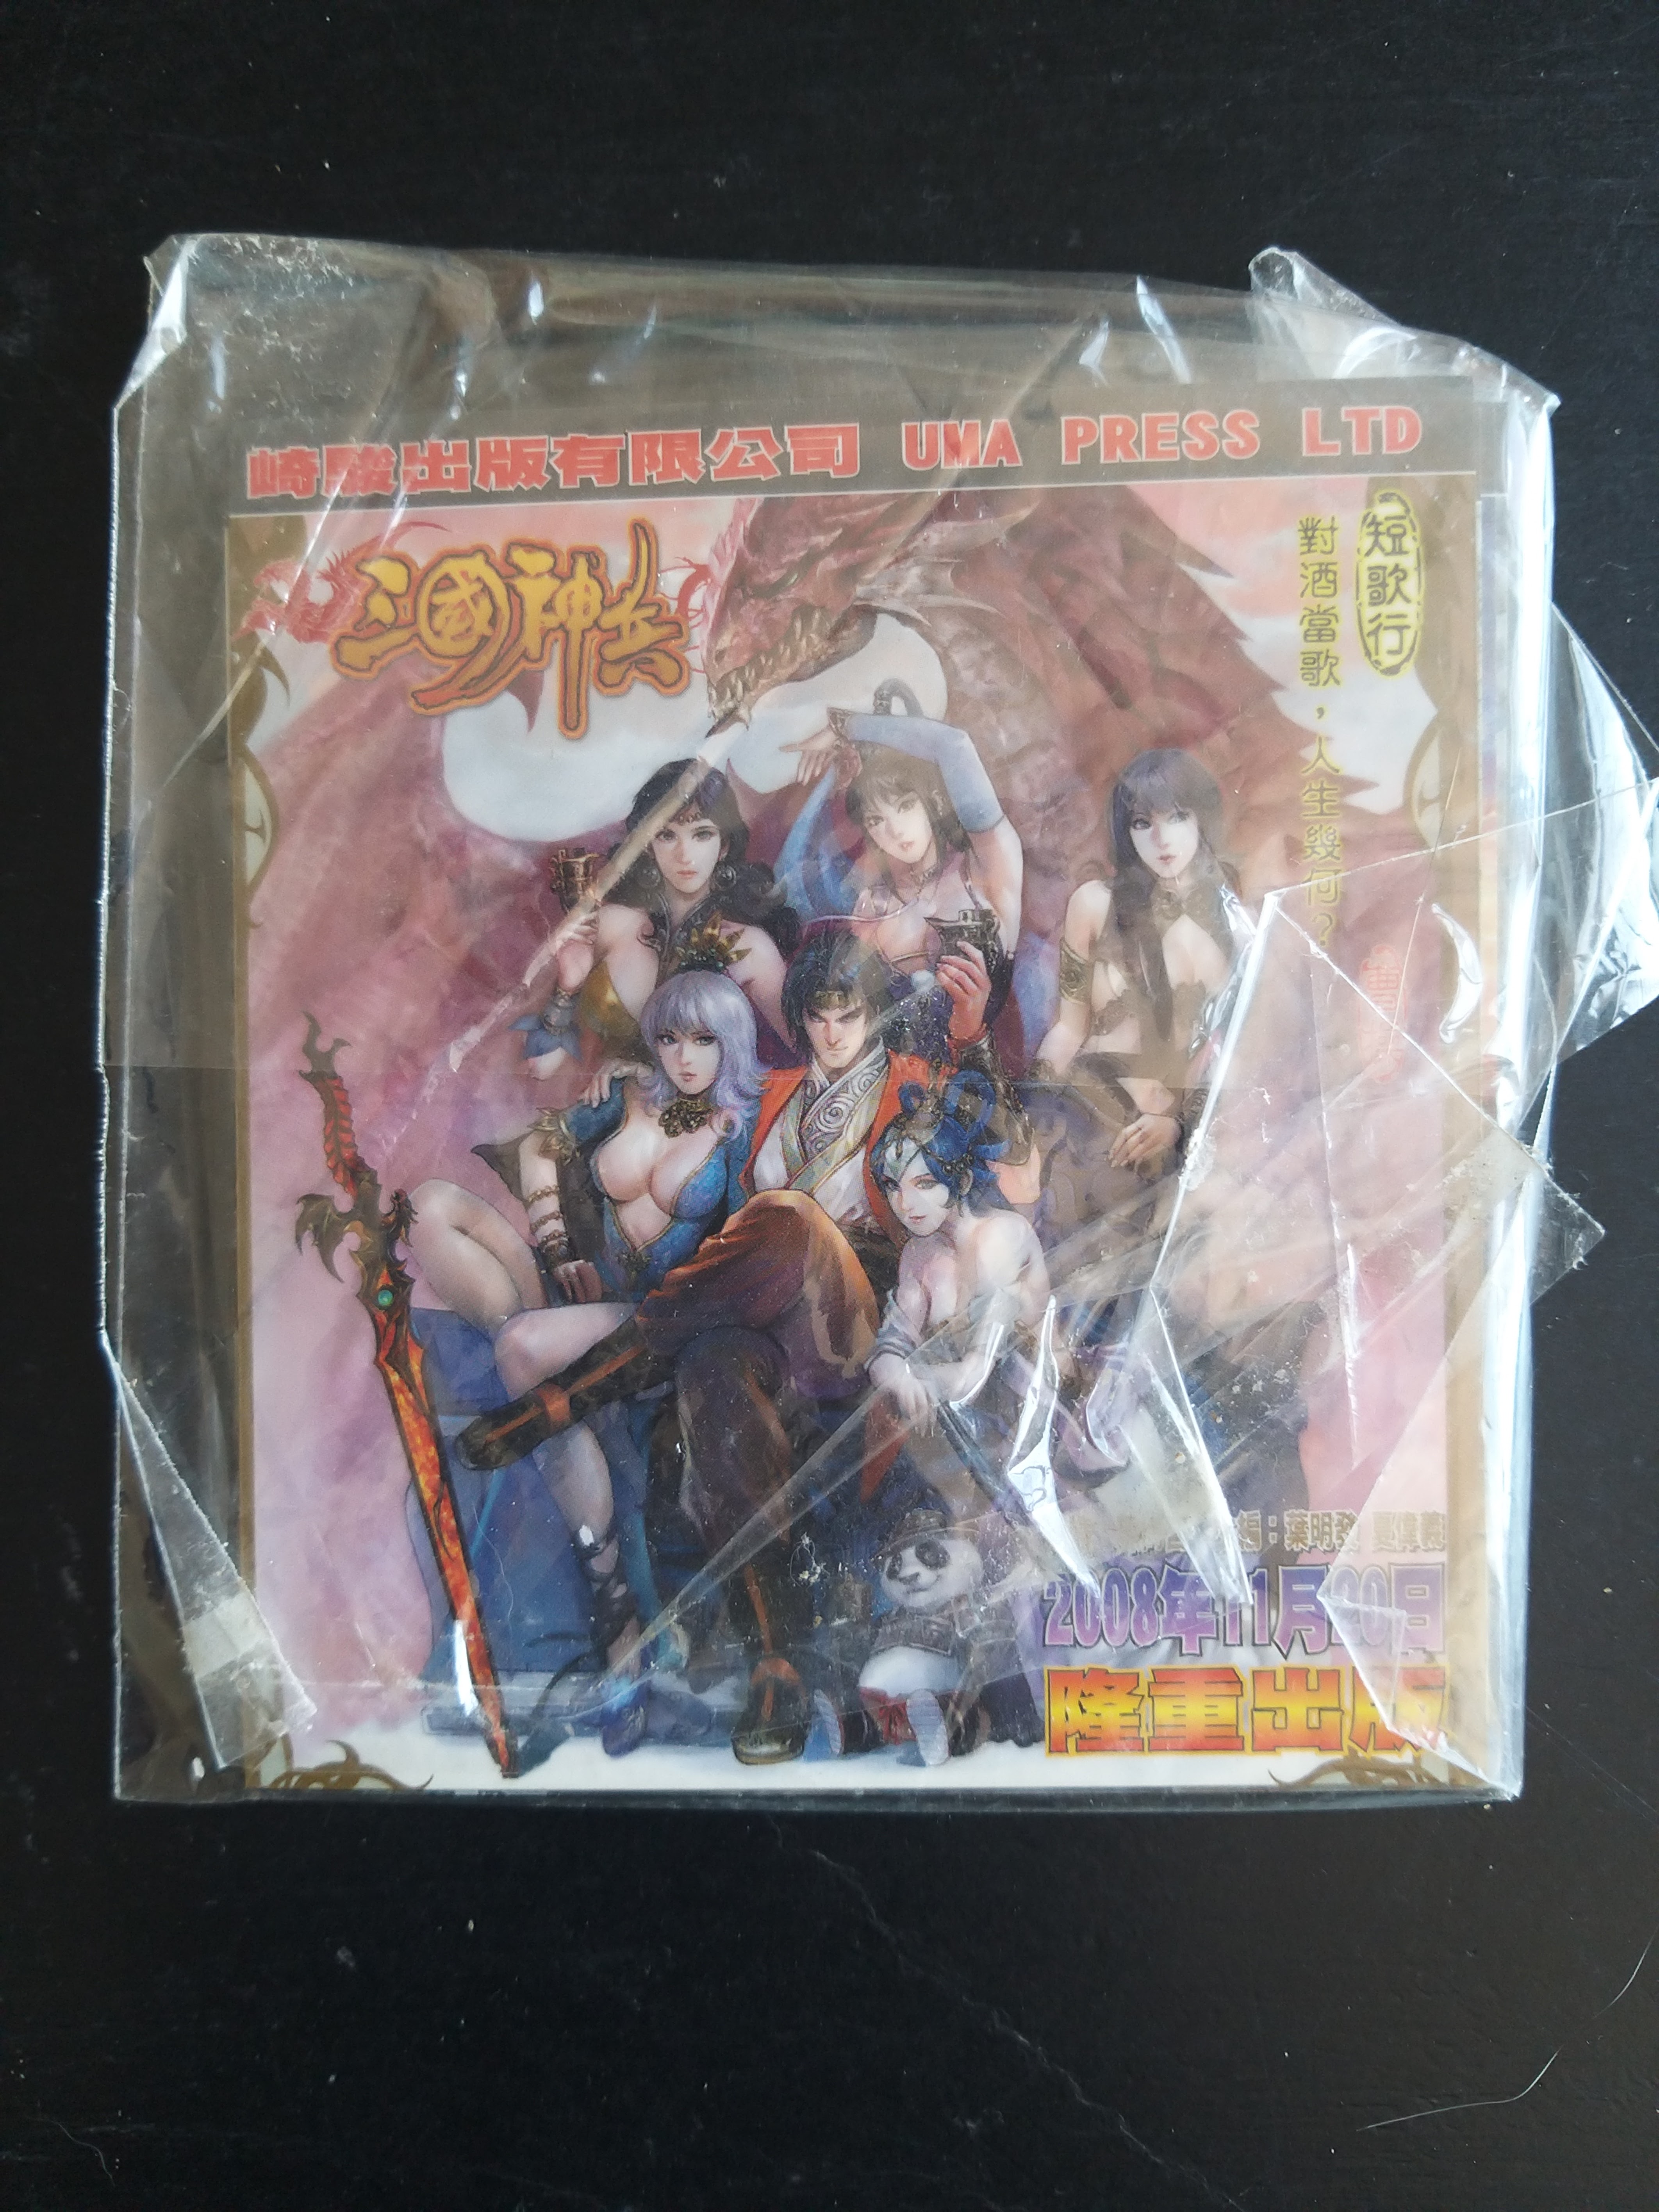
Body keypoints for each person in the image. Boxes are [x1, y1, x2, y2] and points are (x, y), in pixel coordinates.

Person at [456, 925, 997, 1766]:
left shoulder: (912, 1083)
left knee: (787, 1218)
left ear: (875, 1016)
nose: (831, 1032)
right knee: (710, 1368)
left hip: (855, 1324)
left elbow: (984, 1138)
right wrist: (621, 1074)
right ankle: (774, 1662)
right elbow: (671, 1095)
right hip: (751, 1327)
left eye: (849, 1014)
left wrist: (968, 1032)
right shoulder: (767, 1092)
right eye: (816, 1016)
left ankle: (575, 1391)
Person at [407, 970, 764, 1754]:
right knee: (427, 1207)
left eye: (704, 1039)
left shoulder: (747, 1119)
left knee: (522, 1348)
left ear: (732, 1041)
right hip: (588, 1298)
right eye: (670, 1036)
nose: (685, 1055)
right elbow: (541, 1147)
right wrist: (559, 1244)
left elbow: (754, 1246)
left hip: (662, 1321)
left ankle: (614, 1607)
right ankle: (557, 1397)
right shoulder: (630, 1093)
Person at [1028, 747, 1246, 1273]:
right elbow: (1069, 1026)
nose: (1162, 839)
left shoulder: (1234, 931)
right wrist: (1032, 1110)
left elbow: (1227, 1060)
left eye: (1178, 817)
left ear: (1203, 818)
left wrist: (1177, 1126)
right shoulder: (1092, 904)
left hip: (1159, 1138)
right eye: (1143, 823)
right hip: (1081, 1113)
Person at [780, 680, 1023, 1061]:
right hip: (893, 1082)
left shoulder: (988, 868)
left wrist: (846, 725)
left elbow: (955, 745)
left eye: (906, 806)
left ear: (932, 804)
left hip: (982, 1075)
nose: (895, 830)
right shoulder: (872, 907)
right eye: (877, 820)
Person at [522, 760, 800, 1081]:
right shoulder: (612, 925)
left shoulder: (750, 947)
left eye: (702, 834)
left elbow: (810, 1068)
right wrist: (568, 987)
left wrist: (653, 1080)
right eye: (667, 835)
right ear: (648, 845)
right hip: (597, 1106)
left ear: (724, 845)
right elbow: (542, 1069)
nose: (684, 855)